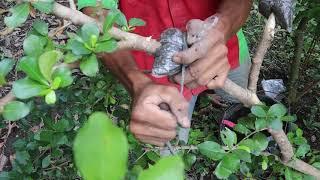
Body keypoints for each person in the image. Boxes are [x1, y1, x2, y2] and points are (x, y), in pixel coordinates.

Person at [84, 0, 253, 146]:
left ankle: (223, 113)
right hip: (157, 74)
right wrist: (137, 82)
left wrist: (221, 29)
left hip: (224, 52)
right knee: (168, 144)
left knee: (238, 103)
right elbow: (95, 11)